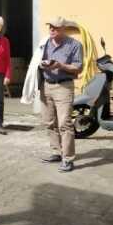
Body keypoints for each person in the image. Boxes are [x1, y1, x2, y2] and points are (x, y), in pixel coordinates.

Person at [39, 17, 83, 173]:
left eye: (55, 27)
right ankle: (56, 152)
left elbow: (78, 68)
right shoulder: (45, 44)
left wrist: (60, 65)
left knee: (65, 124)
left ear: (63, 29)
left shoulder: (75, 45)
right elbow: (38, 61)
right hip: (46, 86)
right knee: (49, 122)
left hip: (64, 86)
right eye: (50, 26)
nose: (51, 29)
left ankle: (68, 158)